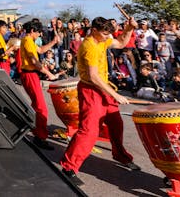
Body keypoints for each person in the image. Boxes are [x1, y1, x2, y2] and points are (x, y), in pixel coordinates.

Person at [60, 16, 140, 186]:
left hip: (104, 89)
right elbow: (93, 77)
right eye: (105, 34)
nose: (107, 37)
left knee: (116, 124)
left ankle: (120, 154)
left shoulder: (101, 39)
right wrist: (116, 95)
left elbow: (120, 43)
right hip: (91, 90)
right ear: (94, 30)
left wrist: (129, 29)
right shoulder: (89, 46)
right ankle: (69, 166)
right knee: (89, 131)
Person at [18, 19, 58, 150]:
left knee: (37, 105)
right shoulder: (27, 41)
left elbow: (40, 50)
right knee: (41, 108)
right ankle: (40, 137)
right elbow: (35, 62)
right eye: (38, 32)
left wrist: (53, 42)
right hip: (29, 74)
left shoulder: (29, 40)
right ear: (32, 31)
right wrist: (49, 73)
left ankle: (35, 130)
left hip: (31, 75)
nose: (39, 35)